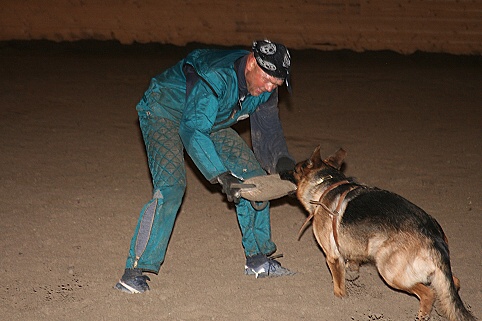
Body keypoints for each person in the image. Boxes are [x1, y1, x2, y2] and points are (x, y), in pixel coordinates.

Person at [115, 39, 296, 294]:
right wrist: (221, 175)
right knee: (171, 187)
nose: (269, 88)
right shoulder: (216, 76)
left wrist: (283, 164)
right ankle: (133, 271)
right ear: (252, 62)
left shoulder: (266, 86)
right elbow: (192, 129)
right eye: (267, 80)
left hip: (211, 118)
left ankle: (258, 258)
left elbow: (269, 132)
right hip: (164, 110)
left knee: (253, 178)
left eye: (275, 85)